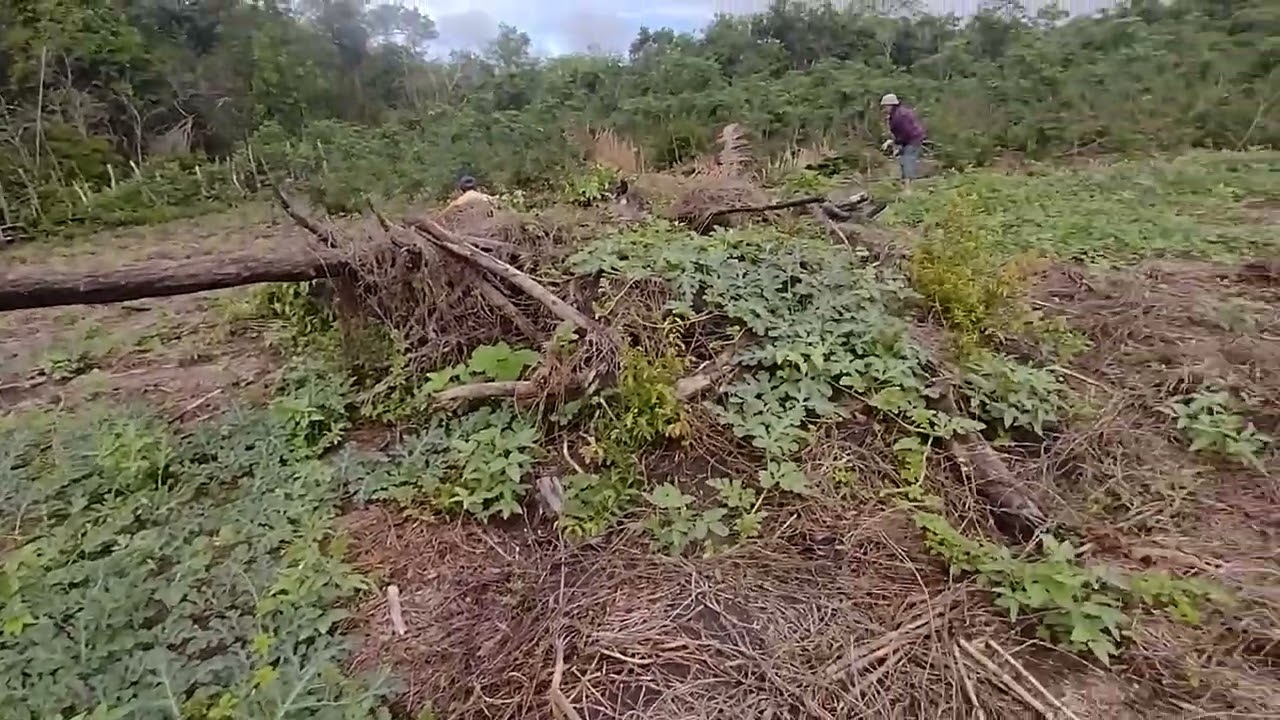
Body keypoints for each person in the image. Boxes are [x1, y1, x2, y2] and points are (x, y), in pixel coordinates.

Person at [879, 93, 927, 188]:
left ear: (891, 105)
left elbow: (906, 132)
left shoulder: (900, 115)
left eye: (885, 106)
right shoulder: (896, 114)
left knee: (908, 160)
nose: (884, 108)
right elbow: (899, 132)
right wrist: (896, 143)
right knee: (903, 160)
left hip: (913, 139)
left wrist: (895, 142)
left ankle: (908, 188)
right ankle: (905, 184)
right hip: (907, 139)